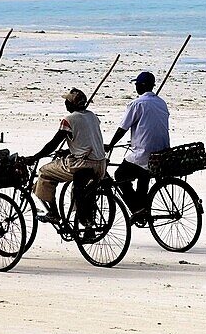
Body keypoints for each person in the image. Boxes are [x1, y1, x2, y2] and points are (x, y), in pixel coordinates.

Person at [28, 88, 107, 223]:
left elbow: (53, 144)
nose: (65, 103)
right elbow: (85, 140)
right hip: (100, 164)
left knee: (45, 172)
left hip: (82, 164)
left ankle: (53, 212)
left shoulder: (69, 119)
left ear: (72, 104)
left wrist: (35, 157)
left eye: (67, 101)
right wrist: (68, 151)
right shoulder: (93, 116)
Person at [105, 71, 169, 225]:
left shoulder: (137, 103)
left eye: (136, 85)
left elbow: (123, 128)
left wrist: (111, 144)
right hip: (162, 152)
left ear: (142, 85)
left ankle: (137, 209)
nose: (135, 87)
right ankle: (142, 208)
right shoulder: (161, 102)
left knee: (120, 175)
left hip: (144, 152)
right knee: (143, 175)